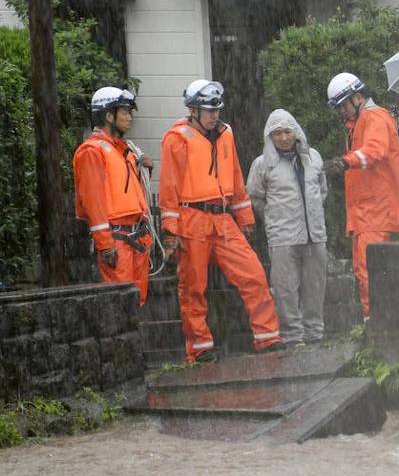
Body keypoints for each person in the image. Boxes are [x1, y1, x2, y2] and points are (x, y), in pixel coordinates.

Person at [159, 79, 282, 363]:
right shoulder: (176, 138)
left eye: (217, 110)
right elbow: (169, 189)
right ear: (193, 110)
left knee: (253, 275)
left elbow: (236, 177)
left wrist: (245, 217)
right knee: (193, 287)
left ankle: (267, 338)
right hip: (192, 219)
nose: (215, 115)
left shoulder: (226, 134)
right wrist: (170, 233)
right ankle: (200, 347)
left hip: (224, 220)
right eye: (208, 110)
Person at [325, 73, 399, 321]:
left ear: (357, 97)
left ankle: (378, 327)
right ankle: (375, 324)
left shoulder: (374, 117)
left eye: (342, 105)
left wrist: (344, 162)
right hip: (367, 212)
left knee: (370, 272)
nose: (341, 111)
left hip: (375, 210)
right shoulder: (363, 121)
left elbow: (375, 151)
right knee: (367, 271)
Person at [247, 109, 329, 346]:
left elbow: (321, 191)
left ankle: (315, 333)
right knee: (285, 289)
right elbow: (255, 197)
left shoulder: (313, 157)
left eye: (287, 131)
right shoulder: (262, 164)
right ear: (269, 137)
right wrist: (275, 218)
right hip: (283, 235)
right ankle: (293, 336)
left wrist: (311, 214)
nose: (283, 137)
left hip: (315, 234)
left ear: (296, 132)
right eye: (277, 133)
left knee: (315, 285)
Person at [73, 87, 153, 305]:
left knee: (137, 302)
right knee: (121, 304)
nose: (130, 118)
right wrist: (105, 245)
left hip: (135, 238)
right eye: (125, 112)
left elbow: (127, 193)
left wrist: (144, 169)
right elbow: (93, 202)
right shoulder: (92, 151)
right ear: (109, 115)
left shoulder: (123, 150)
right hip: (117, 242)